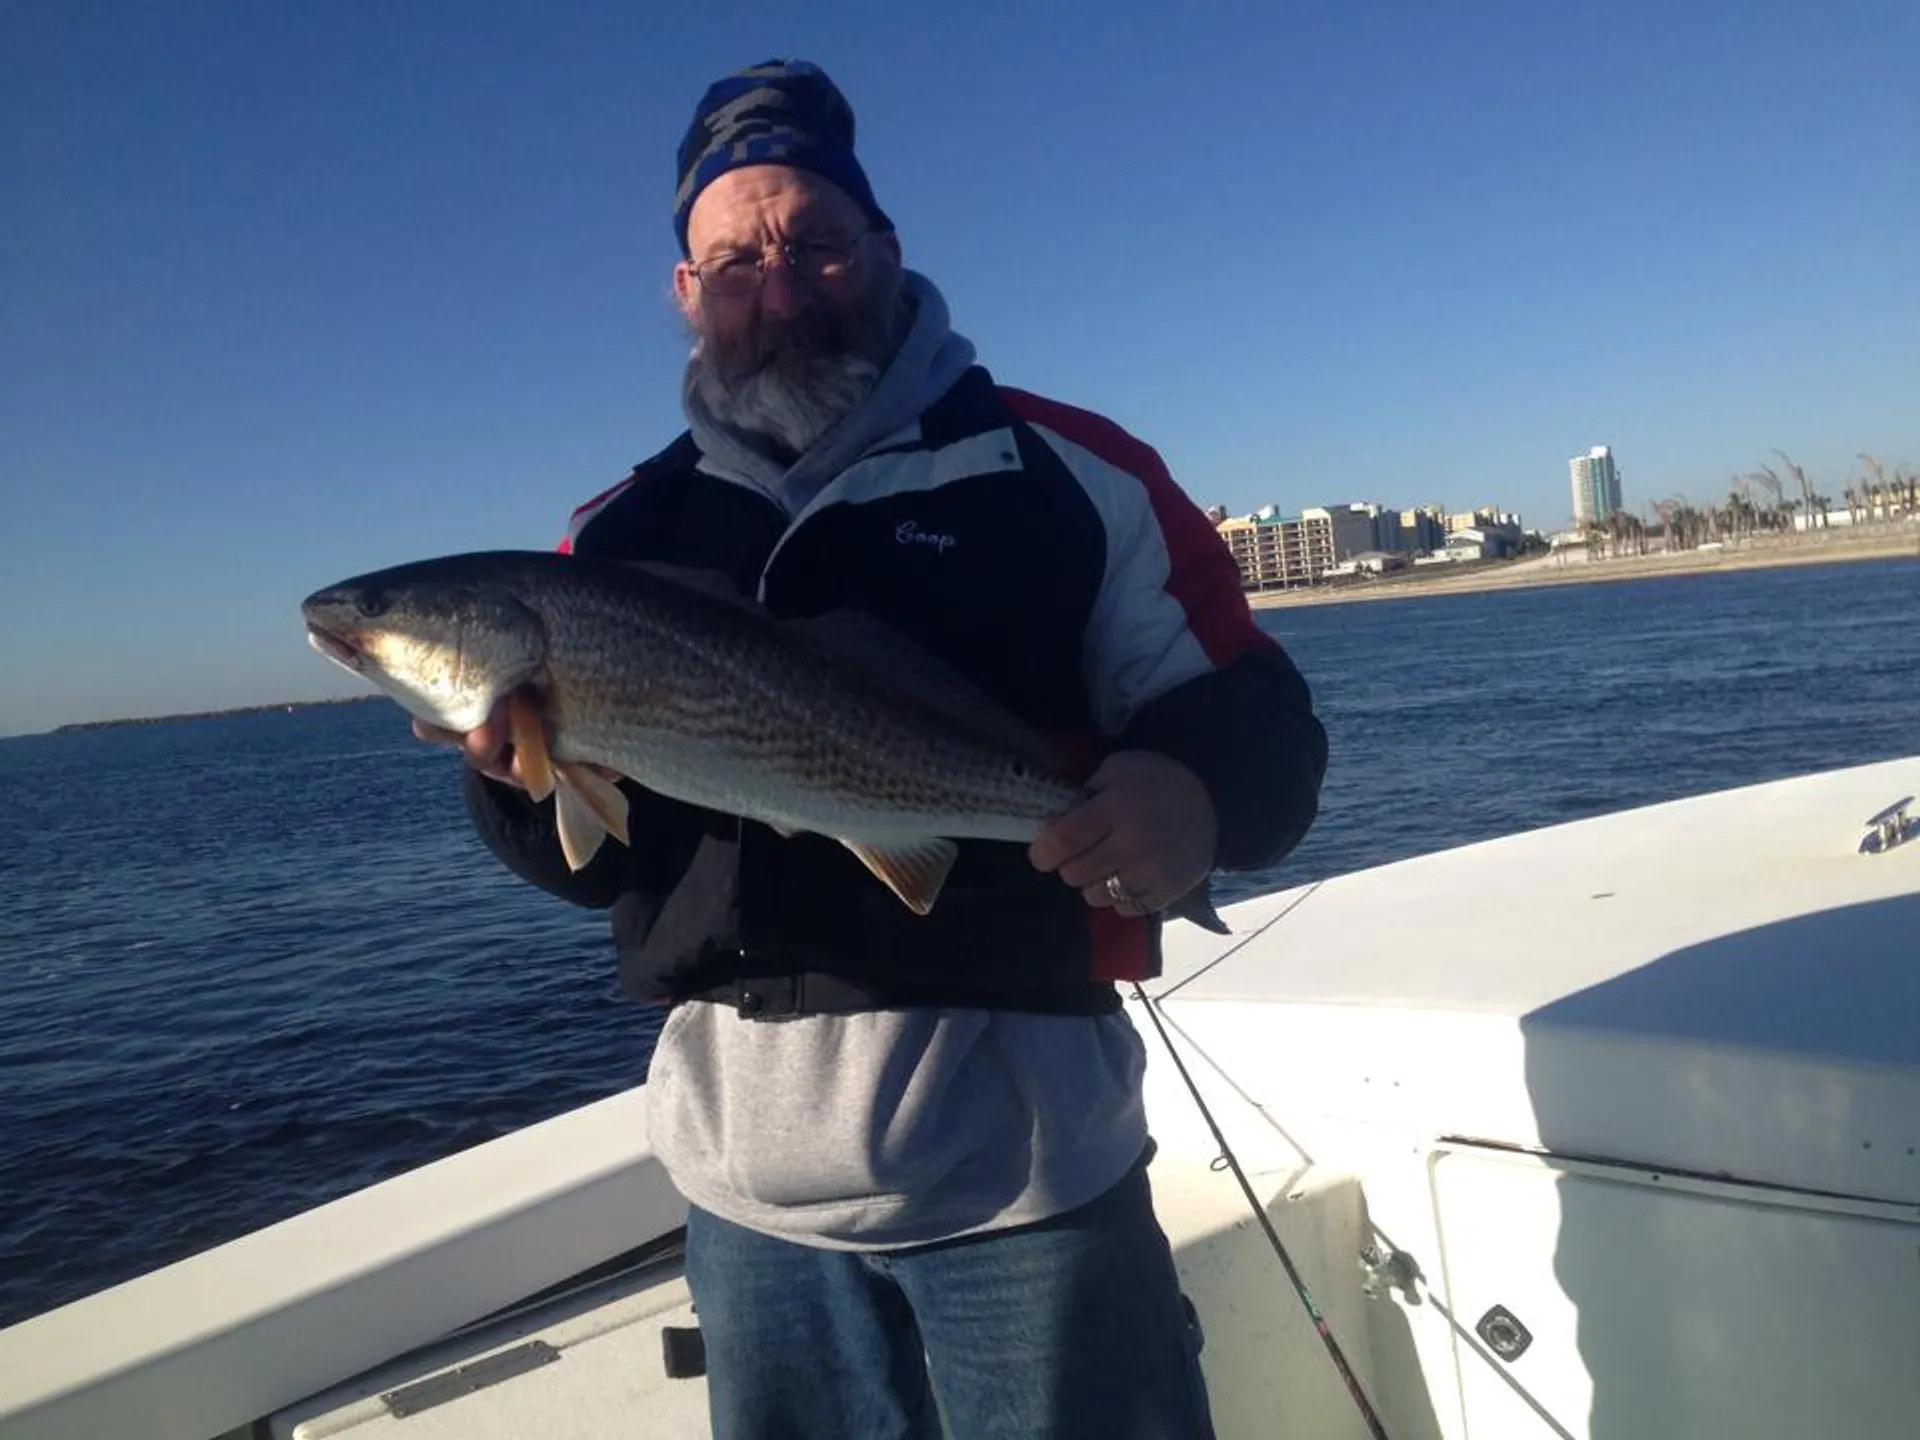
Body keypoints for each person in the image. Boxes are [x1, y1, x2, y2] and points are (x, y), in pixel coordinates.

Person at [415, 58, 1328, 1439]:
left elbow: (1257, 712)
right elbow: (597, 869)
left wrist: (1196, 793)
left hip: (1031, 1184)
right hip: (745, 1210)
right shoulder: (612, 543)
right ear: (683, 292)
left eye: (815, 247)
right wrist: (507, 775)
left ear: (887, 252)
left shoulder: (1067, 472)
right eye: (733, 261)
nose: (777, 294)